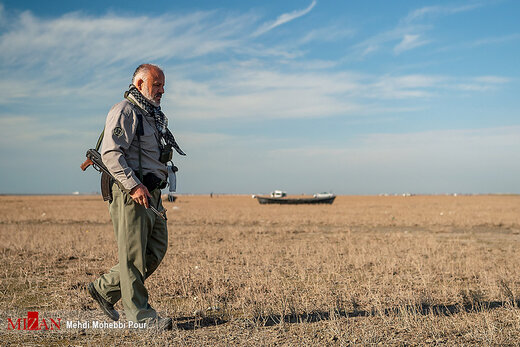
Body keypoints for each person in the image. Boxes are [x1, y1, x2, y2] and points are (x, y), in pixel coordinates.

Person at [87, 63, 185, 331]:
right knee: (133, 257)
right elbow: (111, 154)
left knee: (156, 248)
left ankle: (104, 289)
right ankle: (140, 316)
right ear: (140, 84)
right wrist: (133, 186)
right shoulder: (125, 111)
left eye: (163, 85)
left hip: (152, 193)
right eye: (158, 85)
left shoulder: (152, 114)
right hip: (131, 193)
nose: (162, 90)